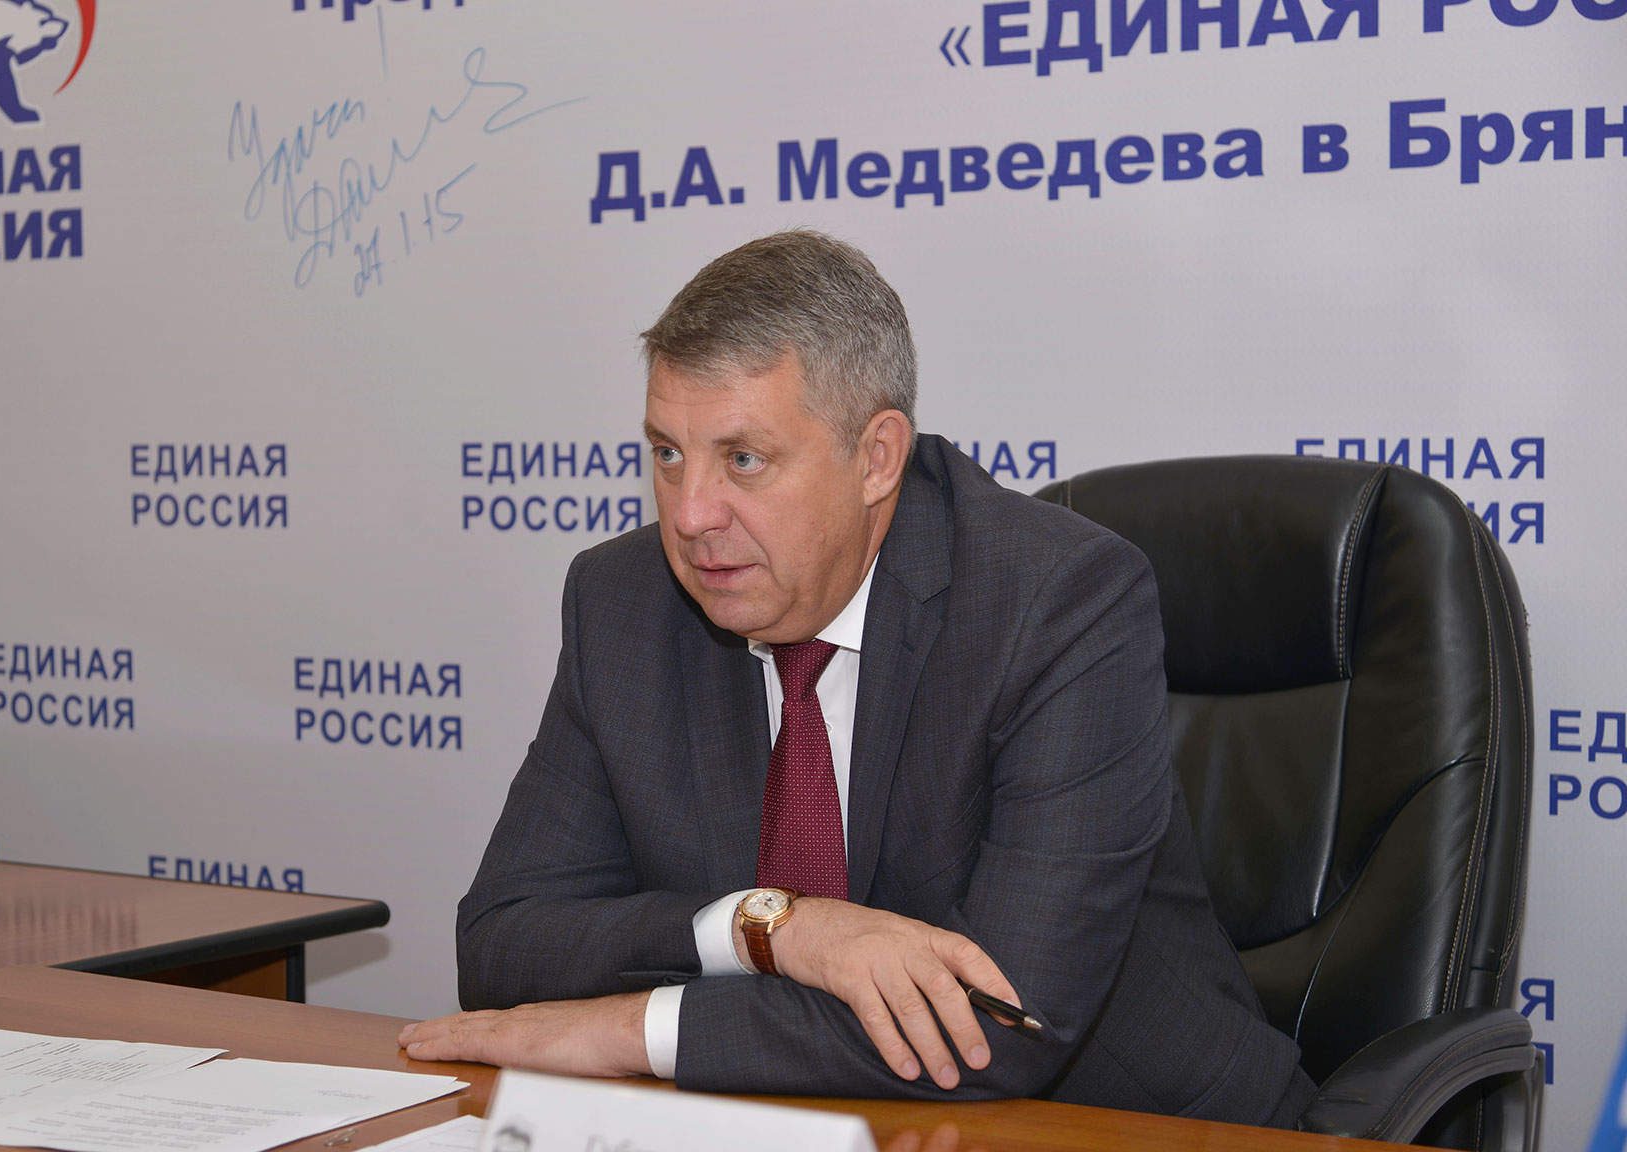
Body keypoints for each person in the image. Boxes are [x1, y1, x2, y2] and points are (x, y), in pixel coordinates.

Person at [398, 230, 1315, 1125]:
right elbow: (503, 943)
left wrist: (628, 1030)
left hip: (1135, 1130)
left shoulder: (1056, 602)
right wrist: (771, 928)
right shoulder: (624, 603)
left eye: (743, 459)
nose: (692, 514)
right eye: (668, 454)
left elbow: (1001, 1020)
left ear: (877, 458)